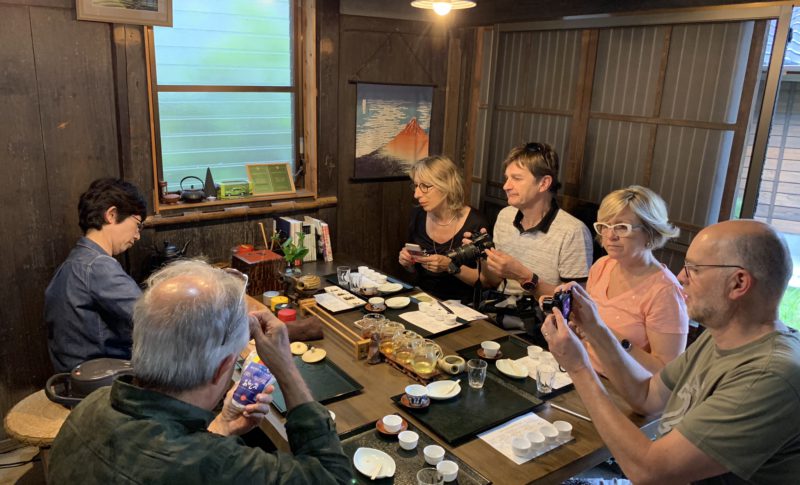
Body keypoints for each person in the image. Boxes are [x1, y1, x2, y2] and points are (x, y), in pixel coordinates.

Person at [48, 260, 352, 484]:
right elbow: (332, 477)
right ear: (222, 369)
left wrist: (220, 427)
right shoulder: (219, 466)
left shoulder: (91, 406)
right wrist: (284, 366)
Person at [542, 220, 800, 484]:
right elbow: (647, 396)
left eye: (694, 269)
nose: (680, 277)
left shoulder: (769, 374)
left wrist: (578, 368)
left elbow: (651, 471)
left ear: (738, 283)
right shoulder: (718, 336)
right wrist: (595, 329)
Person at [464, 142, 592, 329]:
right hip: (498, 311)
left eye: (516, 178)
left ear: (544, 183)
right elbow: (493, 281)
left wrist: (525, 277)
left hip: (542, 327)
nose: (506, 186)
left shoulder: (572, 231)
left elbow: (575, 306)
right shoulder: (506, 216)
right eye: (506, 178)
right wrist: (483, 255)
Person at [45, 178, 147, 372]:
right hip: (101, 384)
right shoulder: (98, 266)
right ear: (112, 214)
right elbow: (149, 319)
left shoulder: (73, 263)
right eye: (138, 224)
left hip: (76, 377)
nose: (137, 235)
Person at [585, 185, 688, 375]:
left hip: (627, 391)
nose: (610, 236)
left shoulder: (665, 292)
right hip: (584, 372)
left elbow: (666, 373)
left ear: (650, 232)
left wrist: (604, 334)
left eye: (621, 227)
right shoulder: (602, 266)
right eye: (604, 227)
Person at [398, 155, 489, 302]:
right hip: (423, 299)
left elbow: (486, 282)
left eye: (425, 186)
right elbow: (415, 271)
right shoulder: (418, 215)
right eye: (416, 186)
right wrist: (408, 262)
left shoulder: (476, 223)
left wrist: (450, 266)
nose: (416, 194)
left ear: (446, 185)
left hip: (463, 305)